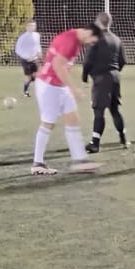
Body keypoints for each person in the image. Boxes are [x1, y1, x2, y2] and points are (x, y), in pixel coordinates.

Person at [32, 24, 101, 175]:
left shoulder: (74, 38)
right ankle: (38, 163)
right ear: (89, 33)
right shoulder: (71, 41)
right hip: (49, 86)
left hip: (59, 86)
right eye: (92, 40)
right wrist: (73, 89)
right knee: (48, 123)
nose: (91, 44)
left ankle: (80, 160)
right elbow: (58, 65)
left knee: (73, 119)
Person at [83, 11, 129, 153]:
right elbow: (123, 61)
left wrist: (85, 77)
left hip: (101, 79)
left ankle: (95, 143)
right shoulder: (117, 39)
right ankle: (123, 138)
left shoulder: (96, 39)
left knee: (99, 111)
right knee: (114, 109)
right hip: (115, 78)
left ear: (98, 22)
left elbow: (88, 60)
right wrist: (114, 71)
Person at [14, 19, 41, 98]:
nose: (32, 27)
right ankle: (25, 91)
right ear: (27, 27)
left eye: (34, 26)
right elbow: (17, 49)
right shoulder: (23, 37)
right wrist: (26, 57)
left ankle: (35, 89)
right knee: (28, 77)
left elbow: (37, 45)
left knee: (36, 75)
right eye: (30, 26)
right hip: (25, 60)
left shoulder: (37, 35)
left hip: (35, 59)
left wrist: (39, 52)